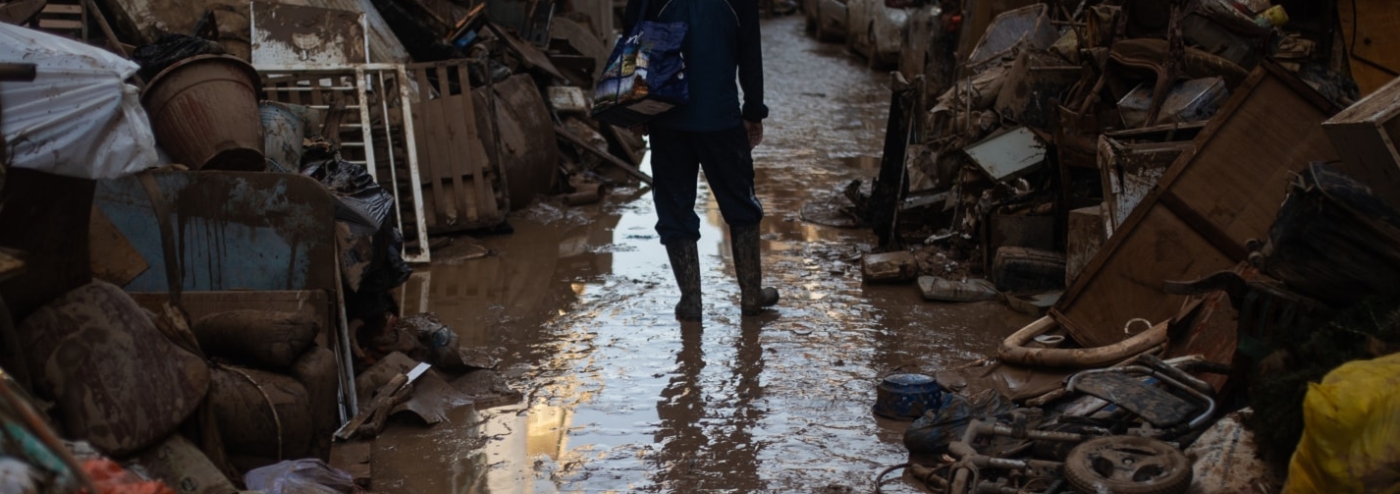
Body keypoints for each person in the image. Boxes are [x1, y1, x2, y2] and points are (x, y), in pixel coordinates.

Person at [622, 0, 778, 321]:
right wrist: (753, 111)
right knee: (740, 205)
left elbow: (633, 44)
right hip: (721, 120)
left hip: (667, 119)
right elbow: (750, 50)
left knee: (674, 208)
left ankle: (691, 301)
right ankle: (751, 295)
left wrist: (634, 109)